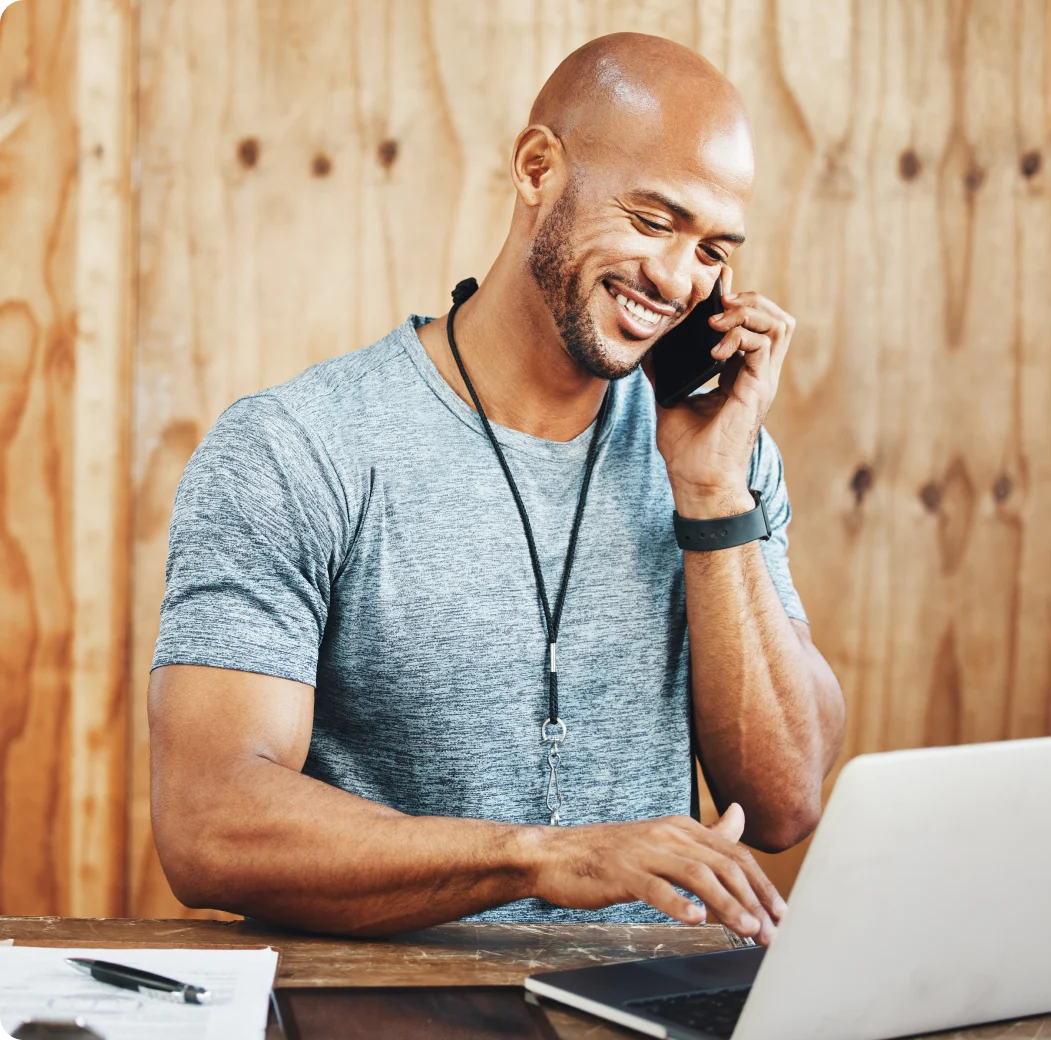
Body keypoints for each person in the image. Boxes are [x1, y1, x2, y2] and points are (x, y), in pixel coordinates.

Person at [148, 32, 845, 945]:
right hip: (389, 1007)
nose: (679, 280)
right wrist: (543, 858)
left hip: (648, 1005)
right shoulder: (297, 449)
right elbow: (209, 823)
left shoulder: (723, 457)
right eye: (650, 221)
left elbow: (785, 802)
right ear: (536, 168)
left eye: (714, 248)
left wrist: (714, 497)